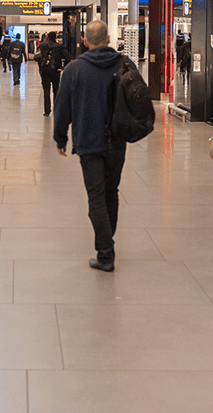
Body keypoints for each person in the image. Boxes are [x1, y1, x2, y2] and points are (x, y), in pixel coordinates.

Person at [53, 20, 135, 272]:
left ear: (85, 41)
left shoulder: (75, 69)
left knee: (96, 196)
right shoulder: (125, 64)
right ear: (109, 39)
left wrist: (60, 138)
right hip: (117, 140)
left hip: (88, 141)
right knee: (111, 193)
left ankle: (105, 254)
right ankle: (107, 246)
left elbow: (62, 107)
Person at [38, 31, 70, 117]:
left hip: (45, 70)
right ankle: (56, 109)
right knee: (56, 89)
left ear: (47, 37)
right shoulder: (60, 46)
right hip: (55, 70)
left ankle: (47, 111)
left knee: (46, 90)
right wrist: (63, 65)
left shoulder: (42, 45)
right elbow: (68, 58)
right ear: (56, 37)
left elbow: (39, 56)